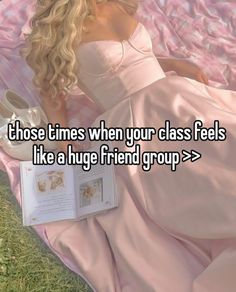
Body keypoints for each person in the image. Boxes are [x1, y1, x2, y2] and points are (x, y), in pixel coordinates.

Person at [21, 0, 236, 291]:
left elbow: (136, 57)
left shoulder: (119, 5)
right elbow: (51, 93)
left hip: (179, 96)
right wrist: (64, 143)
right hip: (134, 121)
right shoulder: (58, 28)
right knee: (199, 177)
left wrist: (172, 63)